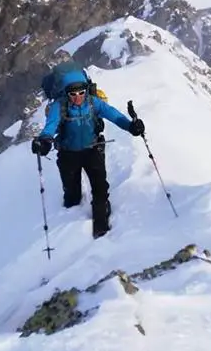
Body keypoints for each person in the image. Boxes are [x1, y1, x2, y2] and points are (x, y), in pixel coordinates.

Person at [31, 69, 145, 238]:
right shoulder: (59, 106)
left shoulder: (94, 103)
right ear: (66, 94)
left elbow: (113, 115)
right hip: (68, 154)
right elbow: (51, 125)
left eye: (81, 93)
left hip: (92, 149)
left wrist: (130, 126)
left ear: (86, 90)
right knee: (71, 192)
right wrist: (45, 140)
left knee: (100, 187)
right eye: (73, 94)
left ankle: (101, 231)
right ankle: (73, 213)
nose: (77, 97)